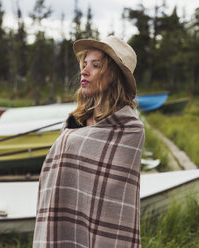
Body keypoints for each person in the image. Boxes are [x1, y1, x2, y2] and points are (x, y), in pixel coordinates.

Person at [33, 36, 145, 248]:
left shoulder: (130, 130)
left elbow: (116, 203)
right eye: (84, 65)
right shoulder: (75, 121)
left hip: (104, 234)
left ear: (114, 75)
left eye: (95, 66)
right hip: (62, 222)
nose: (84, 71)